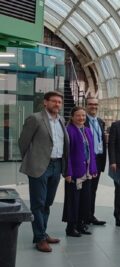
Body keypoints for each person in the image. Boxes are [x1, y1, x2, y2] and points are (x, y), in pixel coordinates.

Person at [18, 91, 69, 252]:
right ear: (45, 103)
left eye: (59, 102)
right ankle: (39, 238)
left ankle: (42, 232)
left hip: (57, 165)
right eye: (54, 101)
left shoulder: (61, 120)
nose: (57, 104)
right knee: (38, 203)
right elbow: (23, 142)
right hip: (40, 166)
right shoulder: (35, 118)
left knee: (47, 202)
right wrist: (31, 160)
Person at [62, 107, 97, 237]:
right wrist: (68, 172)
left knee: (85, 200)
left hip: (87, 171)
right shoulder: (68, 131)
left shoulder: (87, 130)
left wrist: (93, 168)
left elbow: (92, 152)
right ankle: (71, 227)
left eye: (83, 116)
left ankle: (81, 224)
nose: (81, 118)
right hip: (75, 172)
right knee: (73, 201)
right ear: (72, 117)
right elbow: (67, 154)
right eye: (78, 115)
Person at [84, 97, 107, 226]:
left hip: (98, 160)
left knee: (93, 190)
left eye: (96, 104)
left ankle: (90, 215)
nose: (93, 106)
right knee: (85, 190)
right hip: (86, 160)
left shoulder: (100, 122)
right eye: (91, 104)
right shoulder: (82, 119)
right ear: (86, 105)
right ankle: (83, 217)